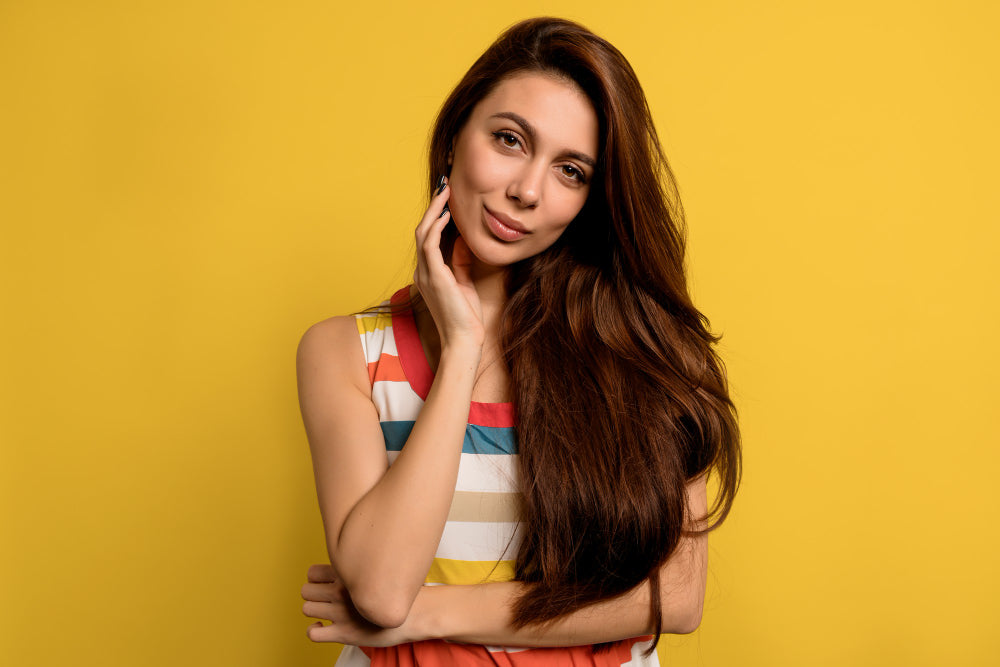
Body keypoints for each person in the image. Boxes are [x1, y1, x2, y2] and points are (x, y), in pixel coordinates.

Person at [297, 16, 741, 666]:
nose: (527, 190)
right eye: (509, 139)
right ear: (454, 137)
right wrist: (461, 356)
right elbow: (381, 591)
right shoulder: (347, 354)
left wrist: (432, 612)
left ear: (592, 199)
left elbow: (675, 597)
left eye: (571, 170)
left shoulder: (650, 354)